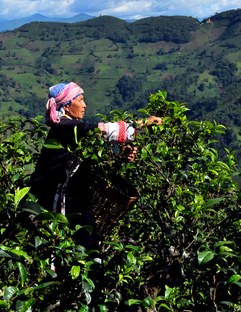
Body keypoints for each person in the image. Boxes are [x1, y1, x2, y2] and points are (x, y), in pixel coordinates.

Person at [29, 82, 161, 249]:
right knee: (62, 250)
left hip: (75, 200)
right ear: (67, 106)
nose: (84, 105)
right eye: (80, 100)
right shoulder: (65, 128)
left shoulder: (72, 129)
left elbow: (89, 164)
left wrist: (120, 158)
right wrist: (144, 124)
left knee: (87, 247)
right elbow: (105, 131)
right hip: (57, 202)